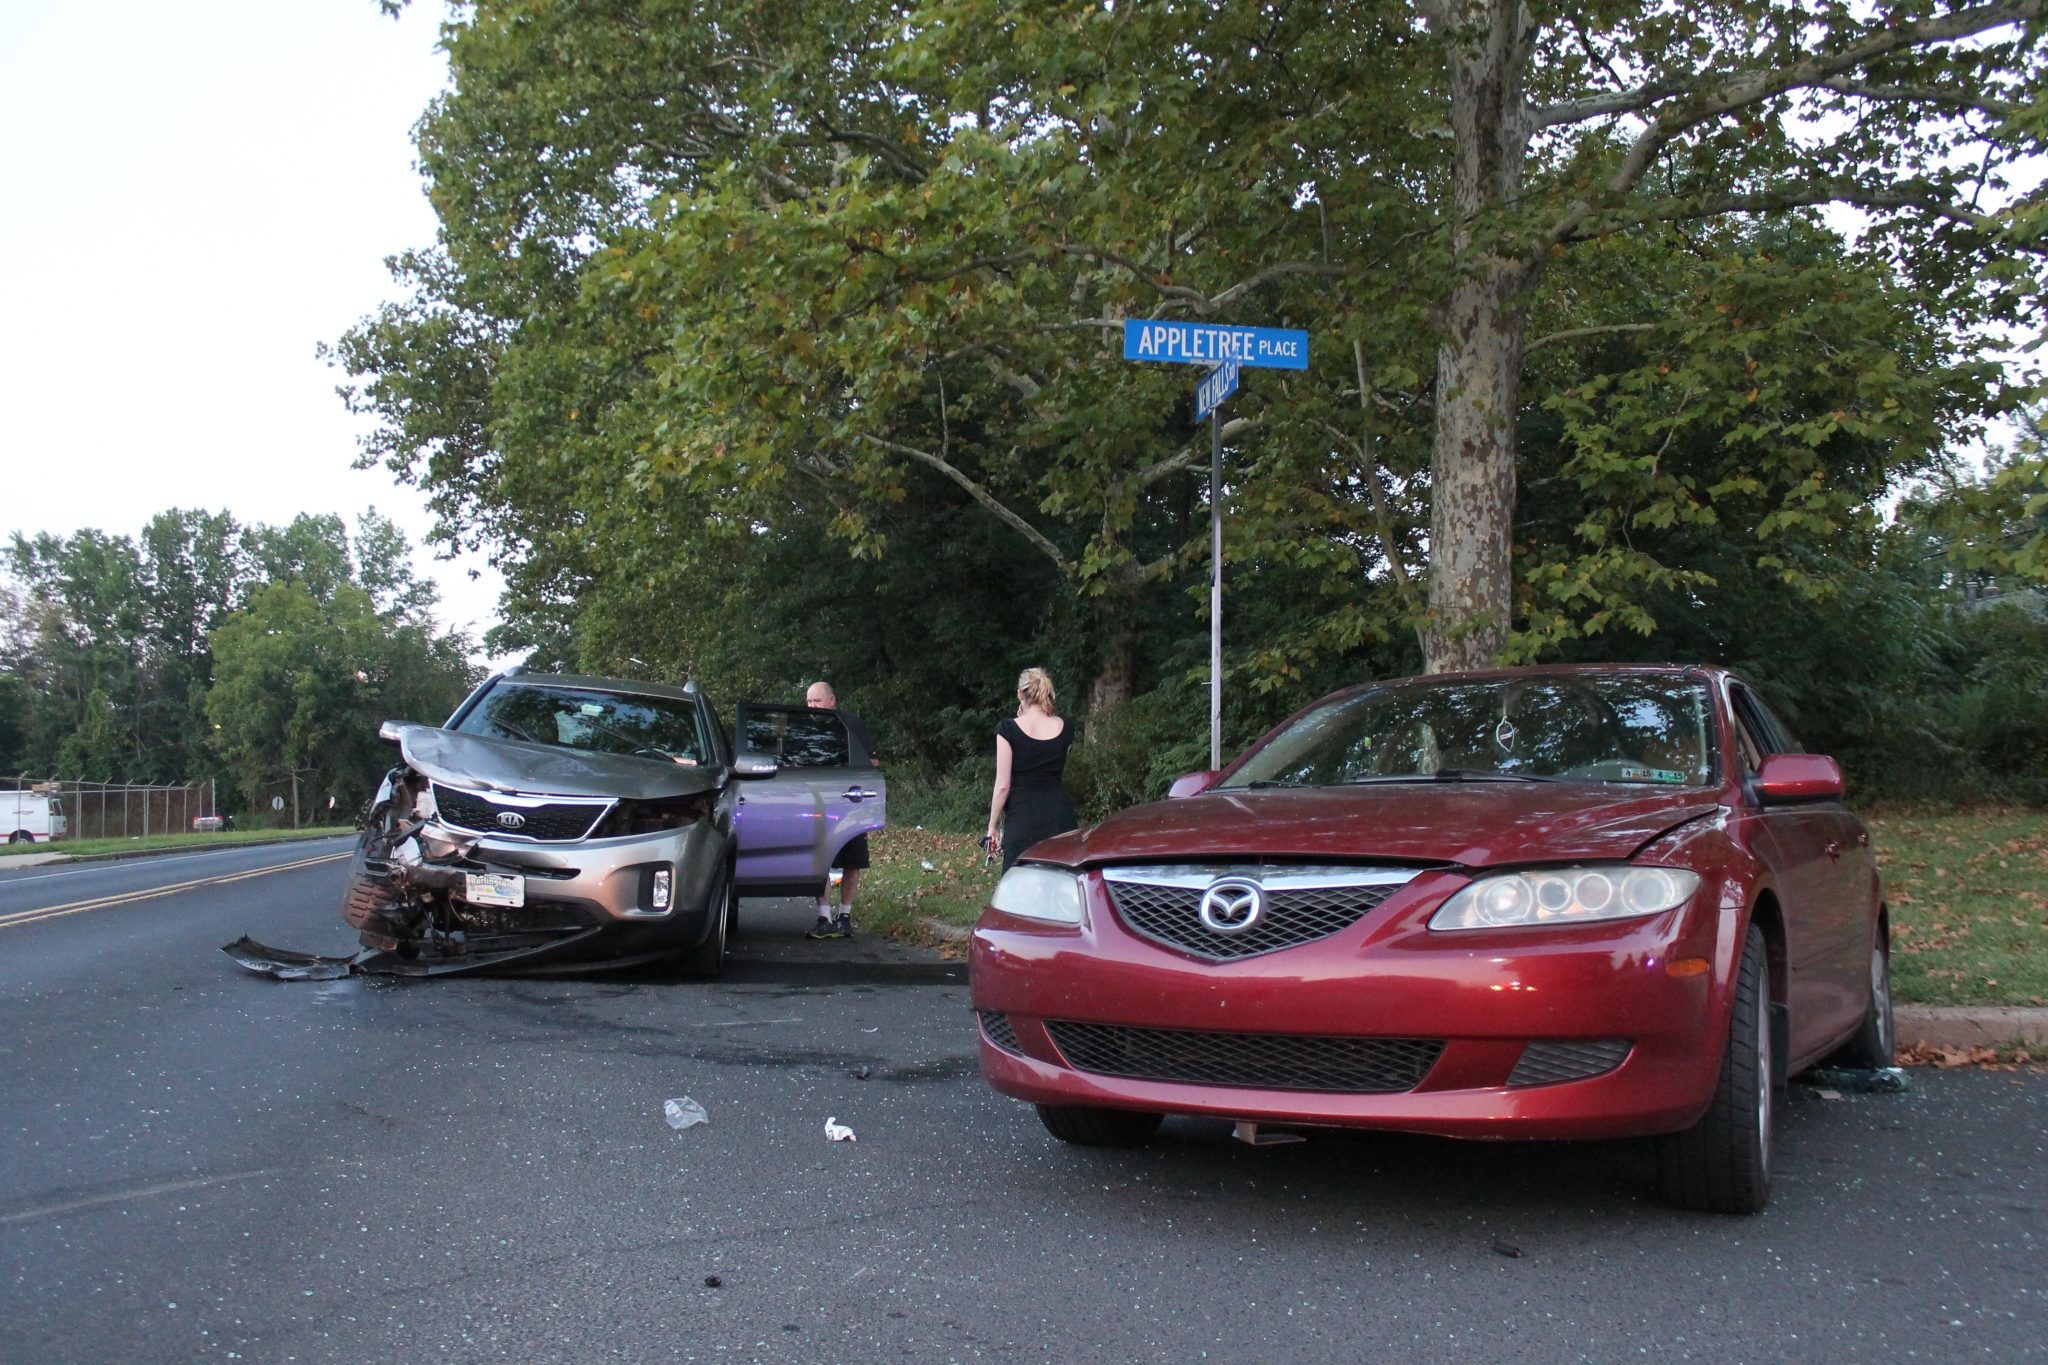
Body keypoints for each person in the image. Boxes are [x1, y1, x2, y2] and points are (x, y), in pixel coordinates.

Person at [803, 679, 879, 940]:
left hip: (849, 802)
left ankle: (845, 915)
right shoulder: (803, 730)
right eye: (809, 702)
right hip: (817, 804)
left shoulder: (851, 725)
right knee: (820, 858)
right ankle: (823, 917)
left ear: (831, 701)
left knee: (852, 860)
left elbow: (872, 761)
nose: (812, 706)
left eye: (817, 701)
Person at [985, 667, 1079, 871]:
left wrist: (992, 827)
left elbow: (1002, 786)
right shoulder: (1066, 727)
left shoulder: (1008, 729)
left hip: (1023, 819)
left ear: (1020, 694)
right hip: (1061, 817)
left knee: (1019, 886)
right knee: (1061, 882)